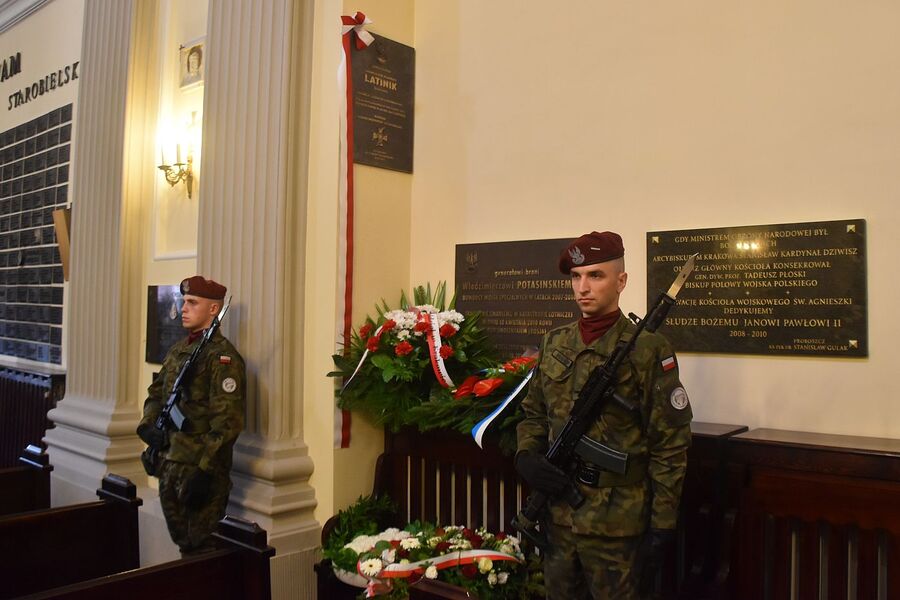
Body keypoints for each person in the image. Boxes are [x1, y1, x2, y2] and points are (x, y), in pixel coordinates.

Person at [516, 231, 692, 599]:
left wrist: (662, 524)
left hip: (618, 526)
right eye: (576, 277)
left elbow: (670, 444)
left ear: (621, 281)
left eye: (596, 275)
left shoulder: (647, 350)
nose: (583, 287)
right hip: (559, 519)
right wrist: (527, 456)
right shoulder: (554, 342)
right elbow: (533, 413)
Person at [137, 275, 246, 555]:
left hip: (199, 471)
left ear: (213, 309)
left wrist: (205, 470)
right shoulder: (178, 351)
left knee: (203, 549)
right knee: (184, 546)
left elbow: (227, 422)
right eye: (183, 301)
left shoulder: (222, 358)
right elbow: (156, 393)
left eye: (192, 302)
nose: (184, 307)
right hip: (170, 464)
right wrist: (149, 426)